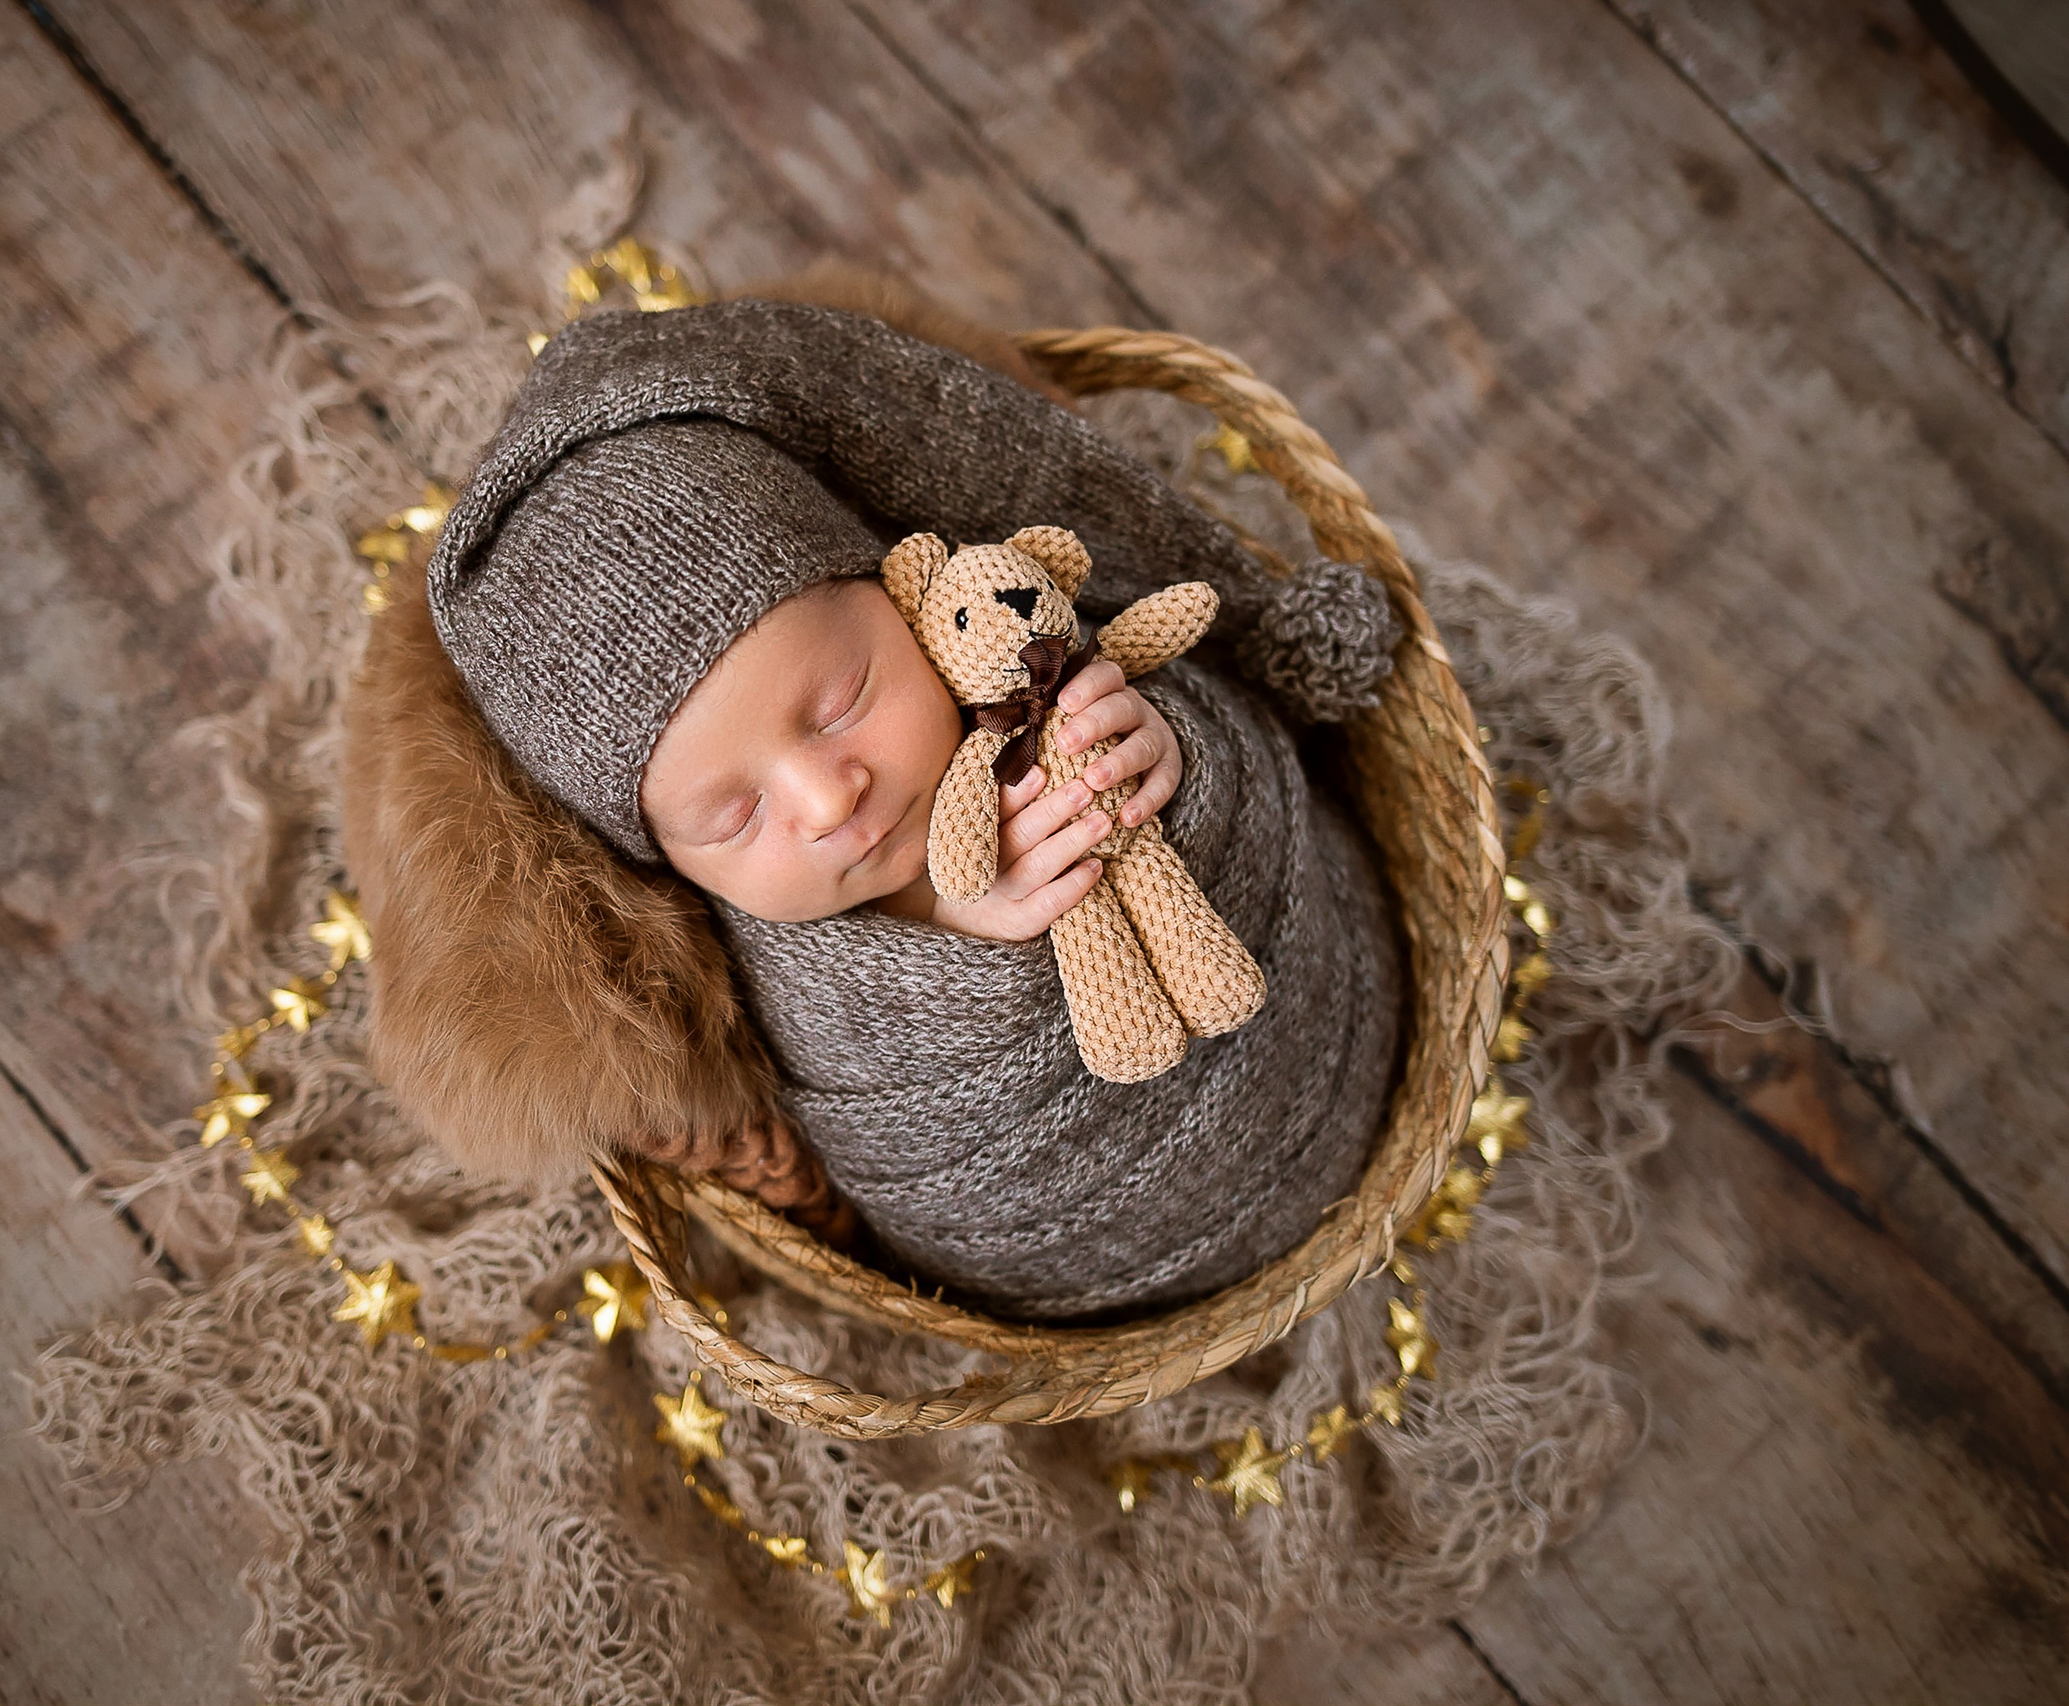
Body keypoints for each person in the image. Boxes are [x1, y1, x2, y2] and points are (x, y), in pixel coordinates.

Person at [358, 284, 1404, 1321]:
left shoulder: (1014, 645)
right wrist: (954, 925)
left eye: (839, 700)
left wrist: (1166, 744)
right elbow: (842, 1064)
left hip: (1334, 1021)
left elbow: (1216, 726)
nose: (826, 796)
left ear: (904, 593)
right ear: (662, 861)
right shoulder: (764, 964)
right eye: (730, 817)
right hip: (1079, 1249)